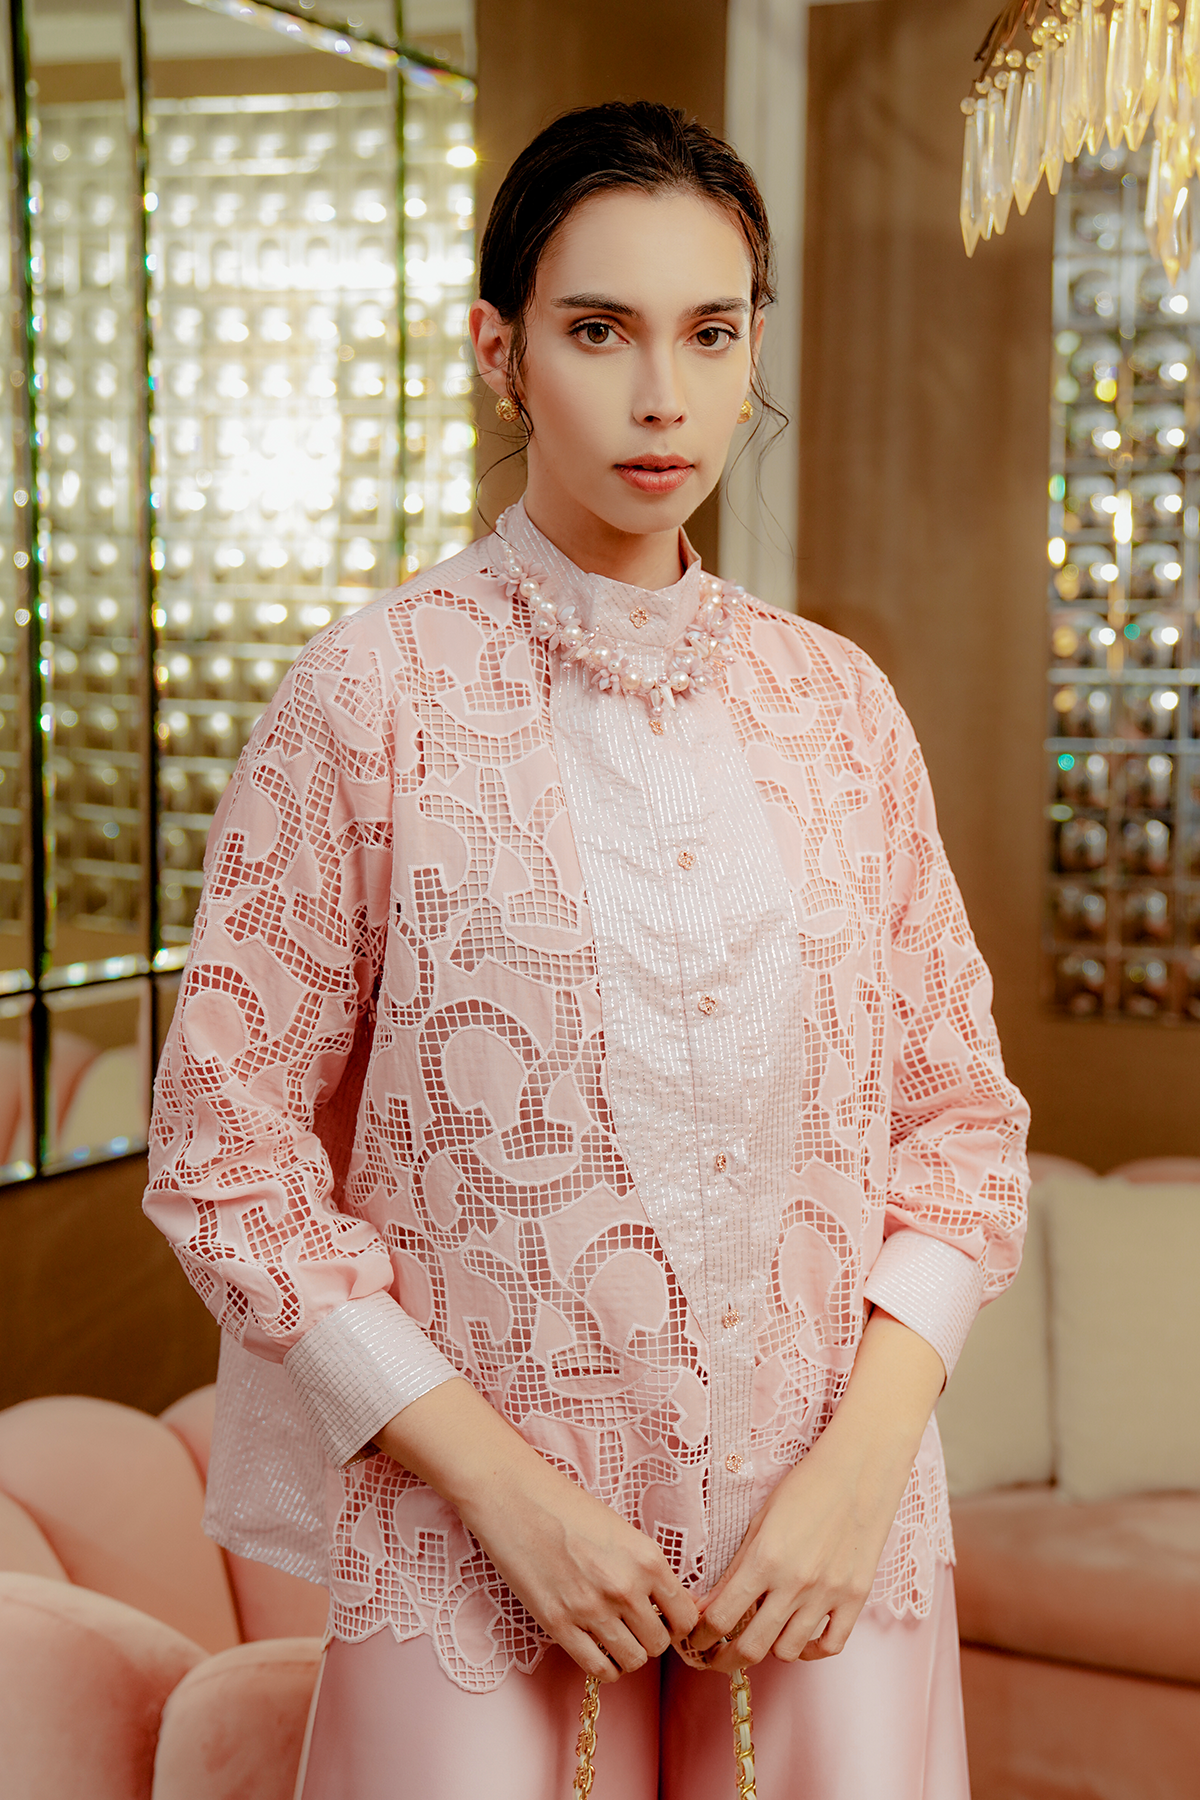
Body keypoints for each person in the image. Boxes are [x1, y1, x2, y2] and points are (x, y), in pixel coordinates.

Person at [144, 100, 1029, 1800]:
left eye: (712, 333)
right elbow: (223, 1154)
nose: (663, 397)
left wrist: (865, 1466)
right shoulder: (369, 701)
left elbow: (962, 1128)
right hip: (483, 1560)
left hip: (826, 1548)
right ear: (501, 351)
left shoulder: (839, 711)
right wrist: (504, 1493)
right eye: (600, 330)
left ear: (754, 349)